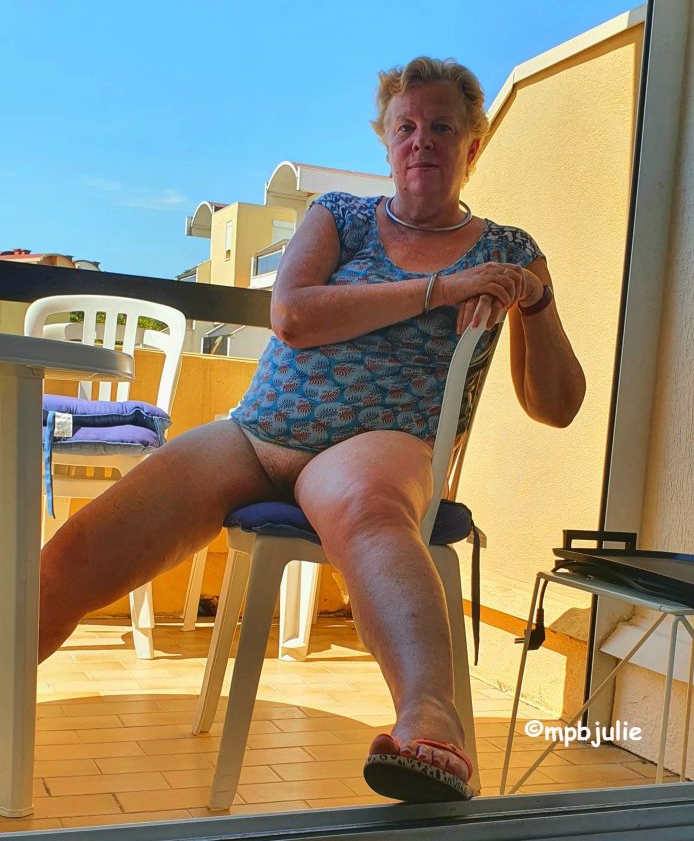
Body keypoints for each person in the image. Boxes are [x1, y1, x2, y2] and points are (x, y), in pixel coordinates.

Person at [39, 57, 586, 803]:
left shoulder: (509, 251)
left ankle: (432, 729)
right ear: (386, 141)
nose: (421, 140)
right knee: (74, 556)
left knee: (366, 509)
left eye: (442, 126)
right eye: (406, 127)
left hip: (381, 444)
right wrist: (439, 291)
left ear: (473, 144)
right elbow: (293, 316)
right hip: (255, 433)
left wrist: (535, 303)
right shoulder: (342, 215)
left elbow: (557, 407)